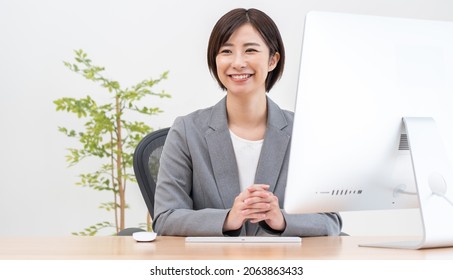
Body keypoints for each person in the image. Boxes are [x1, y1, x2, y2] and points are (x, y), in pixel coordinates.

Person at [153, 8, 342, 236]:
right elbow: (165, 218)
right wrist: (228, 218)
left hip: (285, 266)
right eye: (226, 51)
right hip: (212, 267)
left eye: (250, 50)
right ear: (215, 60)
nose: (238, 62)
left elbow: (330, 221)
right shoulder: (186, 131)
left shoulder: (304, 131)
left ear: (273, 60)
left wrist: (280, 219)